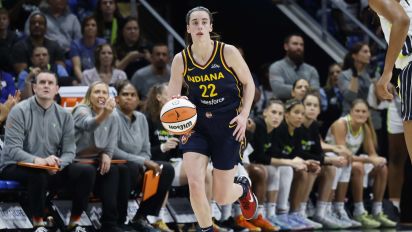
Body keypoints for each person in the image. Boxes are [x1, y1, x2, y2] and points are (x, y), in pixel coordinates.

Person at [167, 6, 257, 232]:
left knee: (223, 196)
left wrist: (244, 115)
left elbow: (249, 84)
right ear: (188, 28)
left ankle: (244, 189)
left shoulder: (228, 52)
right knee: (195, 183)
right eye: (194, 22)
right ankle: (206, 229)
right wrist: (180, 127)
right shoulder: (181, 59)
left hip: (228, 125)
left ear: (210, 26)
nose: (199, 26)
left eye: (204, 22)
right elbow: (173, 98)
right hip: (197, 125)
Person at [0, 71, 95, 232]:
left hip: (50, 167)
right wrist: (40, 161)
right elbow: (12, 149)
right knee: (37, 173)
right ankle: (38, 224)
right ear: (35, 87)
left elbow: (70, 151)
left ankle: (75, 222)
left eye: (50, 83)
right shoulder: (19, 111)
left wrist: (58, 164)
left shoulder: (65, 115)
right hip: (13, 166)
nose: (46, 85)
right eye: (42, 82)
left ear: (57, 89)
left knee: (86, 171)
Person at [113, 80, 174, 232]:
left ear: (138, 99)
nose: (129, 98)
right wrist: (143, 161)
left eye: (133, 95)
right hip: (119, 163)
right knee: (130, 168)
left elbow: (146, 148)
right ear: (117, 99)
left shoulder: (141, 118)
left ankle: (141, 217)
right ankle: (120, 220)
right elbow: (113, 150)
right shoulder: (112, 116)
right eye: (125, 94)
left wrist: (144, 162)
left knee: (166, 169)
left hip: (139, 163)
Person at [326, 99, 396, 228]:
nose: (360, 114)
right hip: (334, 161)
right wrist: (370, 160)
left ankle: (377, 210)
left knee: (383, 168)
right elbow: (343, 154)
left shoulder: (365, 128)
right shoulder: (341, 124)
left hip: (349, 162)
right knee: (358, 167)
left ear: (368, 114)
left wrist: (378, 160)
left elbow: (372, 153)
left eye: (364, 111)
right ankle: (359, 211)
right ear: (351, 112)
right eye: (357, 111)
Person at [72, 81, 123, 232]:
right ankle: (75, 222)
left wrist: (107, 154)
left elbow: (112, 140)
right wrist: (105, 113)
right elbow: (89, 125)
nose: (101, 95)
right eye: (97, 92)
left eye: (104, 92)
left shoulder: (113, 114)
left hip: (93, 160)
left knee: (114, 171)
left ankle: (110, 223)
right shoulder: (80, 110)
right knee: (87, 171)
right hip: (73, 160)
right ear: (89, 96)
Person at [269, 33, 320, 101]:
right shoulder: (276, 67)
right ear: (286, 46)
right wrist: (305, 90)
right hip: (283, 109)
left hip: (305, 110)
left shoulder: (311, 70)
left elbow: (315, 92)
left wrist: (295, 90)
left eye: (301, 45)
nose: (299, 47)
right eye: (295, 44)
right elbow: (279, 90)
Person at [69, 15, 106, 83]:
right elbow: (77, 68)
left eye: (93, 25)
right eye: (87, 25)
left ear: (97, 28)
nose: (90, 27)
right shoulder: (76, 44)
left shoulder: (102, 43)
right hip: (82, 77)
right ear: (83, 28)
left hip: (99, 76)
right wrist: (86, 82)